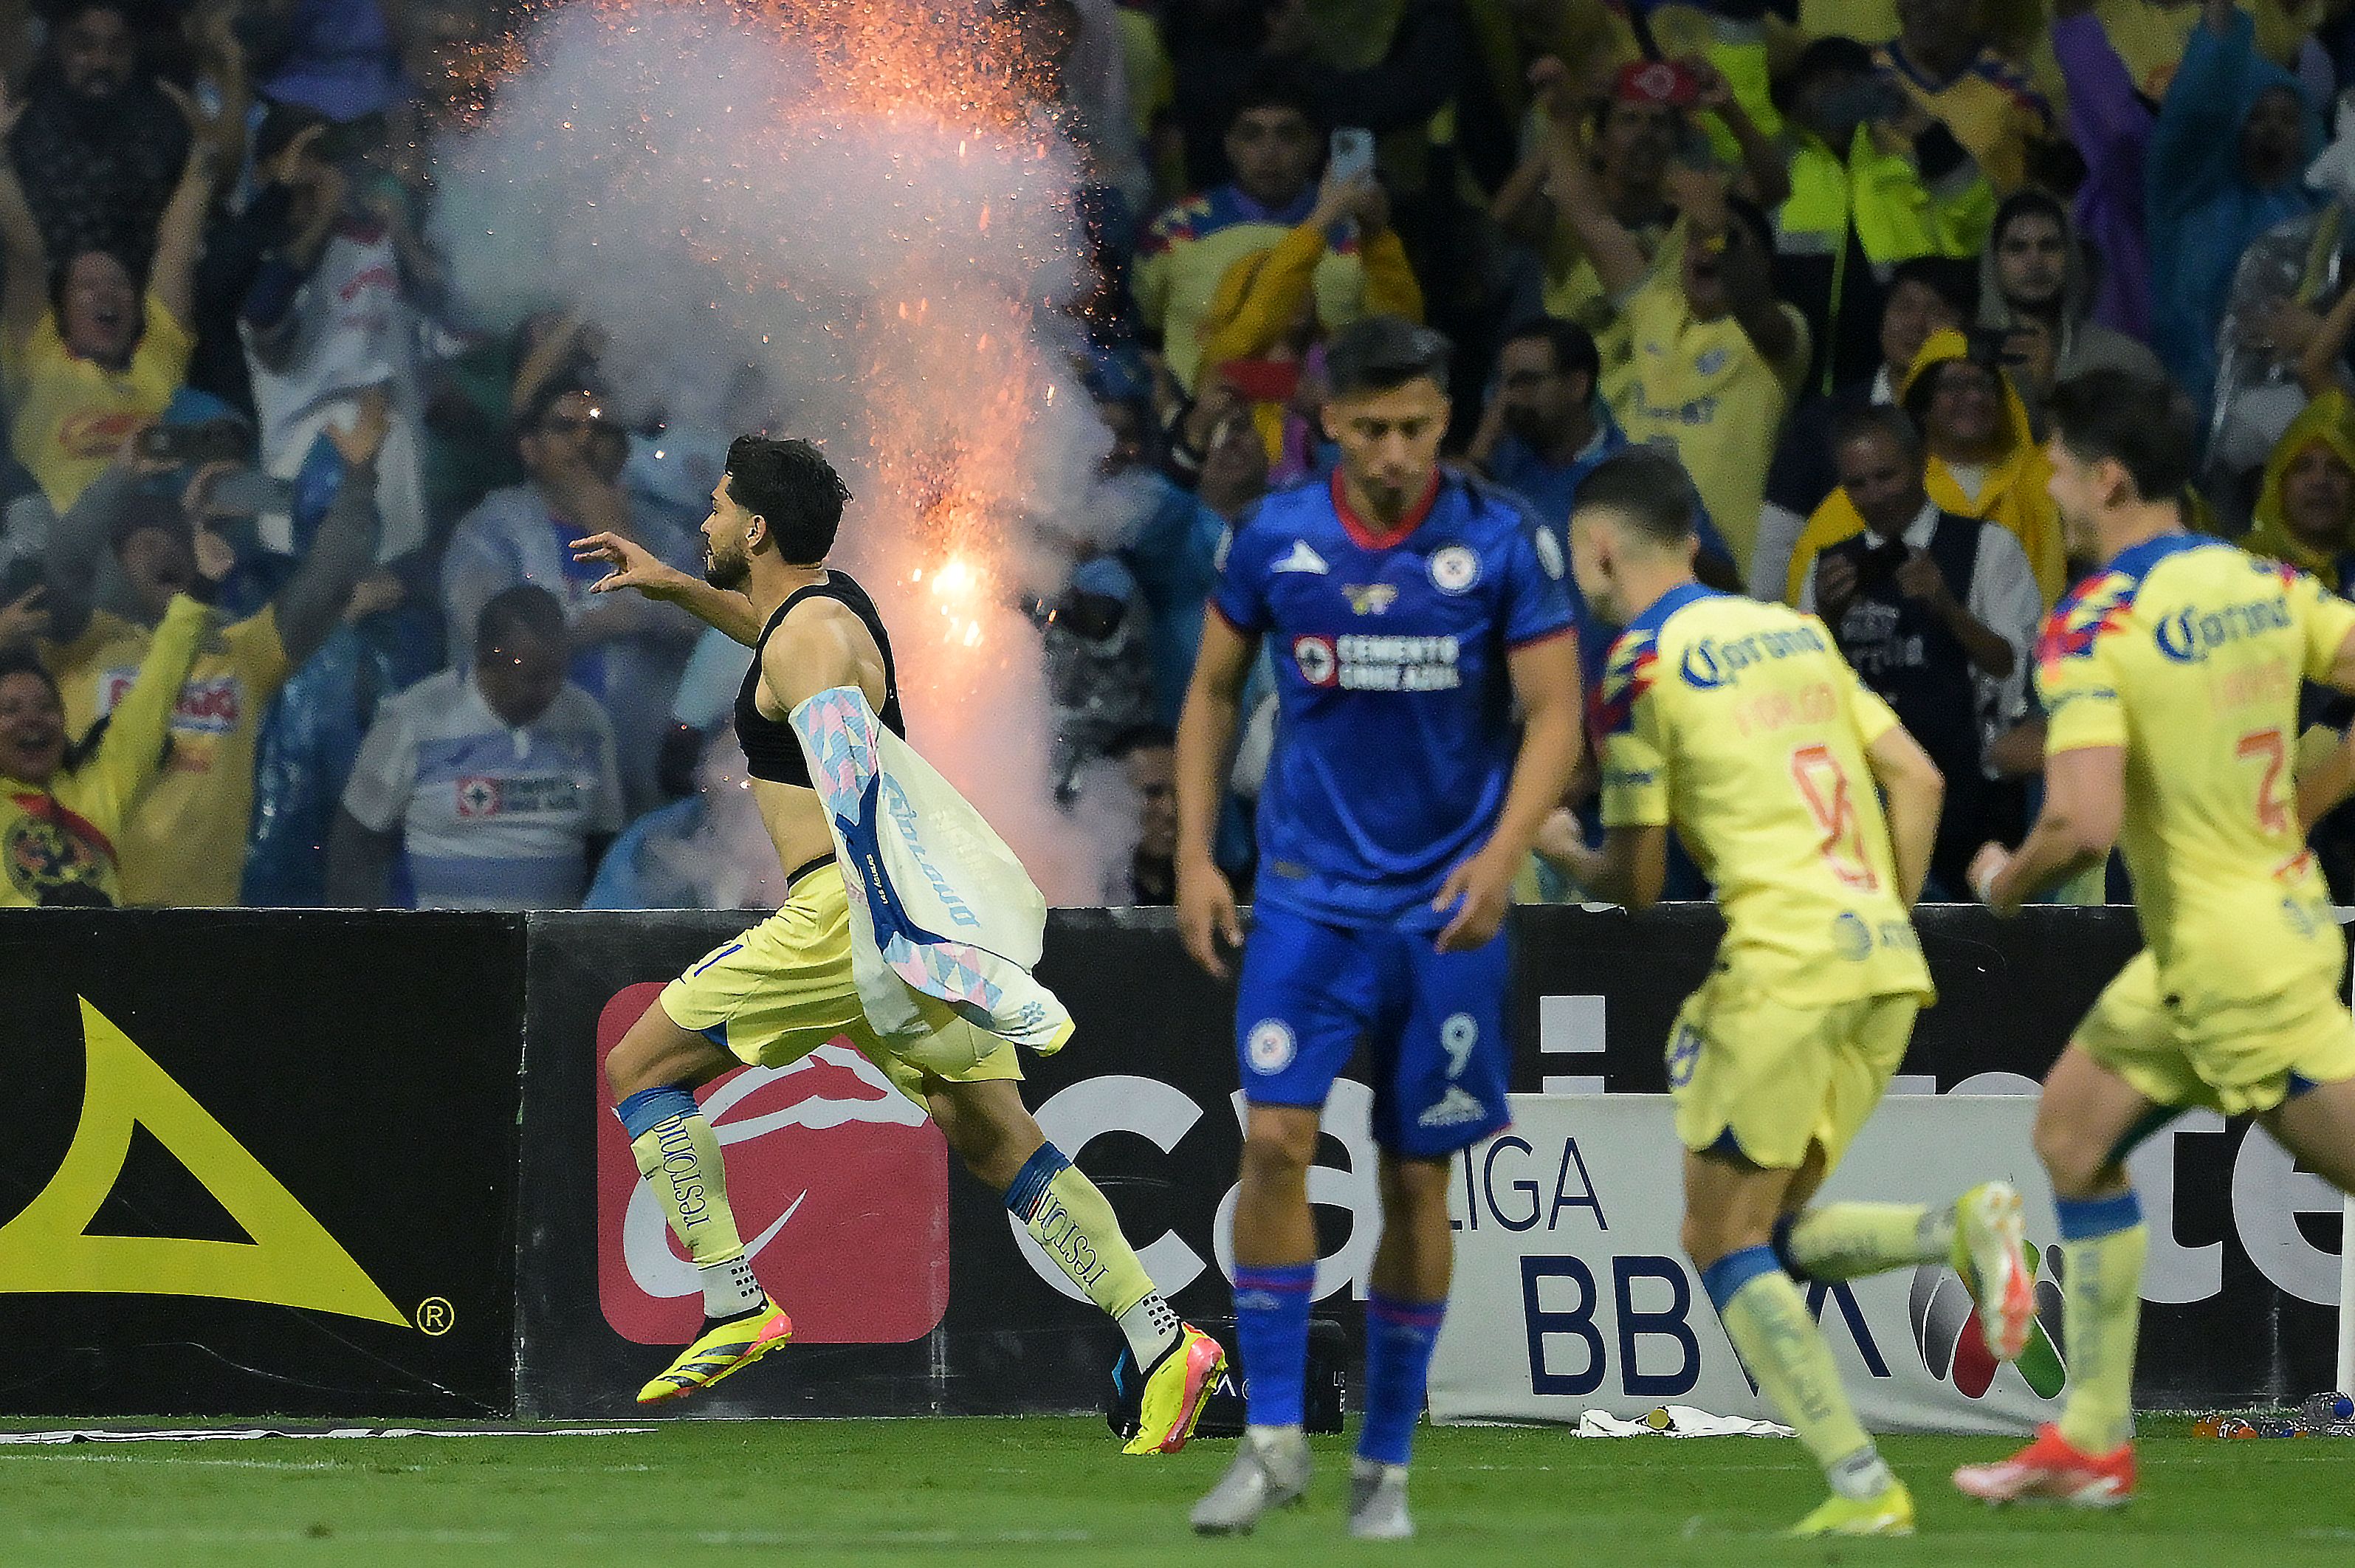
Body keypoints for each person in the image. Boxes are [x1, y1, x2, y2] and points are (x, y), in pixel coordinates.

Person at [568, 436, 1225, 1447]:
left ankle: (735, 1299)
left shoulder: (808, 641)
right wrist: (672, 590)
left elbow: (852, 789)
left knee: (639, 1064)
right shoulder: (822, 615)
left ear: (755, 527)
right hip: (881, 923)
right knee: (995, 1137)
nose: (698, 524)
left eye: (712, 507)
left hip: (845, 920)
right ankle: (1161, 1339)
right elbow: (779, 653)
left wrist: (900, 935)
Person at [1538, 445, 2032, 1537]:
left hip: (1779, 961)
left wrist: (1555, 845)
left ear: (1599, 547)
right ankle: (1957, 1225)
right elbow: (1920, 777)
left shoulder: (1637, 666)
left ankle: (1864, 1489)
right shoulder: (1793, 632)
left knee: (1716, 1241)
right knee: (1770, 1229)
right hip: (1879, 960)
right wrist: (1883, 918)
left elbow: (1634, 881)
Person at [1174, 317, 1581, 1539]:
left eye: (1419, 426)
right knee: (1277, 1148)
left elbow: (1558, 715)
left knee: (1417, 1180)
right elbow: (1208, 690)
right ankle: (1274, 1435)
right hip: (1304, 898)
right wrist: (1198, 853)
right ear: (1333, 423)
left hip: (1447, 911)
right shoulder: (1276, 536)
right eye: (1375, 427)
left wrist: (1505, 856)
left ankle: (1387, 1464)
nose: (1399, 449)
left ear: (1443, 421)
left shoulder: (1502, 539)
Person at [1957, 369, 2355, 1505]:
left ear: (2108, 479)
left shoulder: (2094, 621)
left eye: (2059, 467)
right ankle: (2090, 1439)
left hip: (2234, 964)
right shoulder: (2267, 581)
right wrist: (2311, 802)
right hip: (2242, 934)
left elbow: (2079, 823)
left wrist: (2002, 879)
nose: (2048, 484)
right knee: (2072, 1133)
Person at [38, 393, 386, 906]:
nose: (164, 549)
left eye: (175, 539)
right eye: (143, 542)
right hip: (95, 913)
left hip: (206, 922)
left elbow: (328, 585)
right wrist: (121, 477)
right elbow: (62, 567)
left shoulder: (241, 651)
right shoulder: (85, 643)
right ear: (115, 563)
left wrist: (359, 481)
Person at [1545, 124, 1809, 582]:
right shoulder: (1656, 308)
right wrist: (1558, 113)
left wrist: (1712, 225)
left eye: (1728, 240)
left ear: (1763, 263)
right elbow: (1587, 217)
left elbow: (1749, 299)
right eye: (1694, 241)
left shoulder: (1782, 333)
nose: (1705, 249)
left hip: (1727, 577)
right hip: (1631, 565)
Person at [1801, 405, 2041, 897]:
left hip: (1970, 797)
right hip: (1862, 796)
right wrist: (1825, 617)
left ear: (1922, 461)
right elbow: (1800, 688)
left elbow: (2013, 666)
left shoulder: (1988, 547)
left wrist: (1947, 607)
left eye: (1886, 476)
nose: (1875, 496)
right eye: (1858, 484)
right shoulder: (1828, 565)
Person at [441, 379, 704, 814]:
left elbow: (703, 624)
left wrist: (620, 533)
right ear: (530, 448)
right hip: (522, 785)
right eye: (565, 427)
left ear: (622, 450)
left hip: (643, 782)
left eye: (601, 430)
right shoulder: (489, 531)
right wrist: (614, 619)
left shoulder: (658, 530)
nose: (585, 441)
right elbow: (492, 634)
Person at [327, 584, 623, 910]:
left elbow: (606, 848)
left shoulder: (589, 721)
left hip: (551, 949)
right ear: (487, 658)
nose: (552, 690)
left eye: (559, 673)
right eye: (534, 678)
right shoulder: (413, 719)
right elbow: (355, 847)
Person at [0, 82, 217, 514]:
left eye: (120, 285)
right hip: (64, 544)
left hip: (155, 531)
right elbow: (26, 251)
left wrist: (204, 157)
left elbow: (177, 251)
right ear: (60, 311)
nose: (106, 293)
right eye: (87, 287)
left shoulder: (158, 359)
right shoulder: (38, 357)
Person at [1134, 75, 1371, 397]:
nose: (1269, 153)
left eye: (1287, 136)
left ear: (1314, 146)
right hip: (1198, 427)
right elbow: (1145, 327)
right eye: (1251, 136)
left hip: (1325, 430)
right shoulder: (1175, 229)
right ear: (1229, 145)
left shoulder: (1355, 231)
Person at [0, 585, 207, 907]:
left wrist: (197, 595)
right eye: (10, 710)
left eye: (45, 707)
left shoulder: (98, 795)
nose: (32, 719)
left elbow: (152, 700)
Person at [1975, 189, 2165, 435]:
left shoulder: (2124, 361)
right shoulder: (1962, 358)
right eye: (2017, 248)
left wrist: (2052, 393)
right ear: (1993, 262)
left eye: (2049, 246)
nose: (2035, 261)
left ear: (2072, 256)